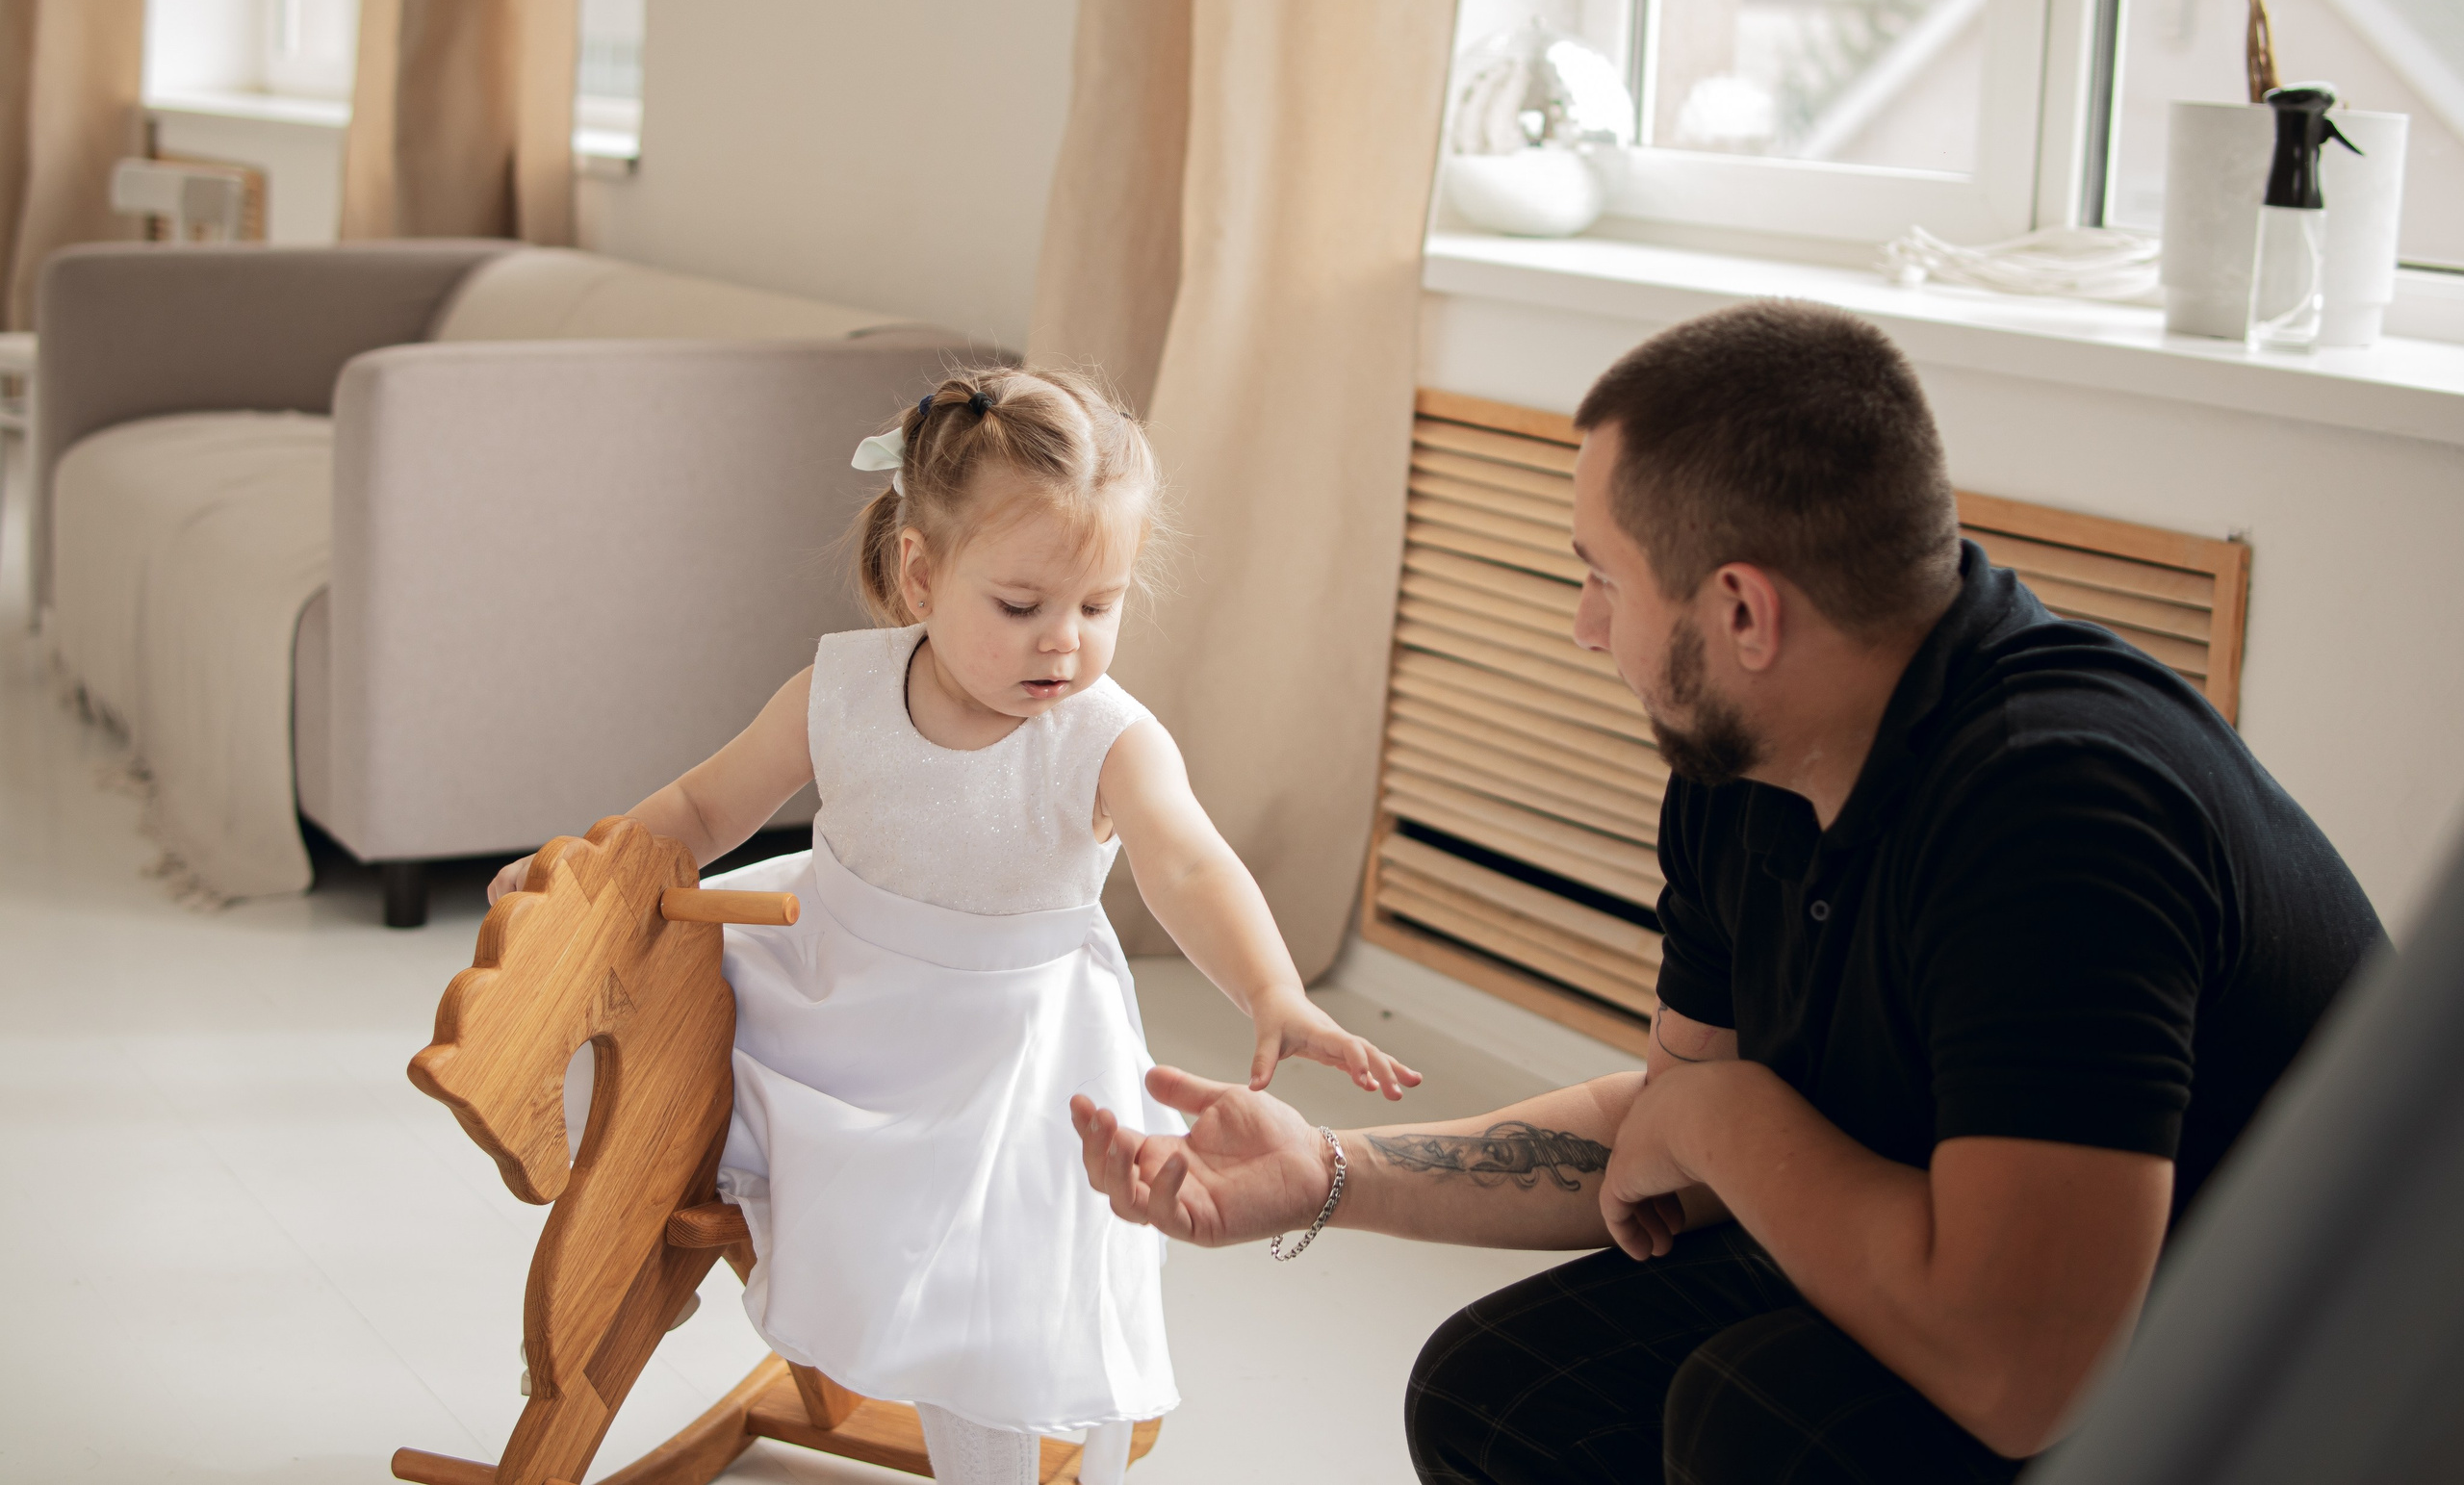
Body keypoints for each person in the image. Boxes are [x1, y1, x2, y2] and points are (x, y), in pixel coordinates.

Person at [1070, 301, 2389, 1484]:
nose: (1587, 627)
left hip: (2279, 1381)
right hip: (1953, 1249)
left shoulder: (2060, 815)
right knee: (1498, 1396)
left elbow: (2016, 1375)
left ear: (1743, 611)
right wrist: (1328, 1174)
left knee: (1756, 1417)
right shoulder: (1751, 760)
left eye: (1601, 576)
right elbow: (1668, 1141)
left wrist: (1727, 1120)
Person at [487, 367, 1420, 1485]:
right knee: (632, 1053)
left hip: (1002, 1053)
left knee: (993, 1292)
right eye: (1021, 606)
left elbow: (1188, 861)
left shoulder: (1105, 736)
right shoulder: (838, 691)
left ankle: (990, 1445)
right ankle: (665, 1243)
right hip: (825, 988)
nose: (1062, 643)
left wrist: (1273, 990)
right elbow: (698, 809)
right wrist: (579, 873)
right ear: (920, 573)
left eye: (1099, 605)